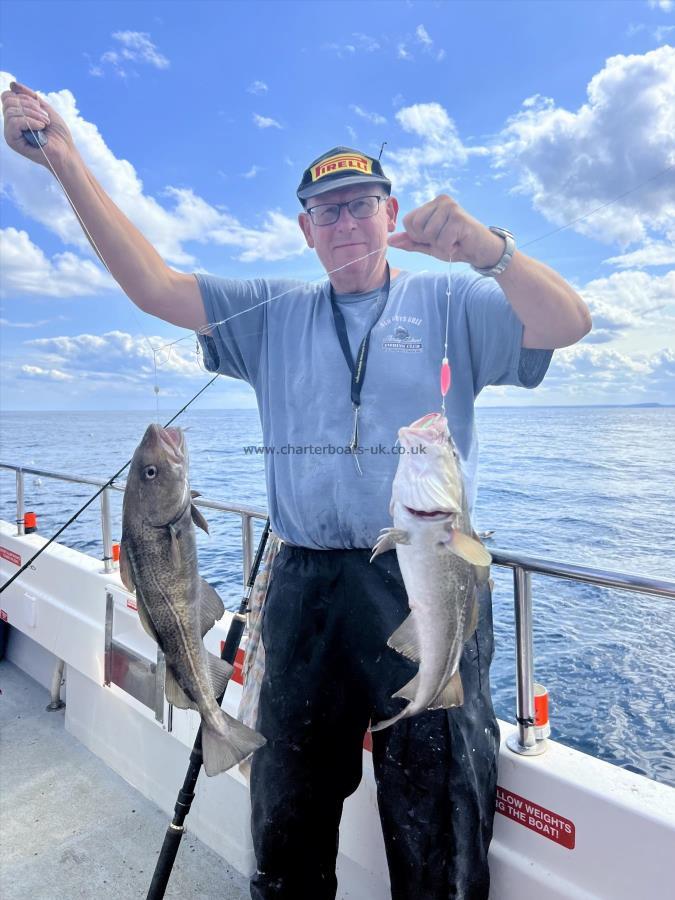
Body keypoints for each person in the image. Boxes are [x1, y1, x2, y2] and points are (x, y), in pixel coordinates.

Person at [2, 82, 591, 900]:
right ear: (306, 230)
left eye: (361, 204)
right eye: (328, 210)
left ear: (391, 216)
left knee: (440, 815)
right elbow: (153, 286)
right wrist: (62, 158)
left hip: (425, 573)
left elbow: (567, 323)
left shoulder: (454, 298)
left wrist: (490, 250)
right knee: (287, 809)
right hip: (304, 582)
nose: (346, 222)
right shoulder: (272, 312)